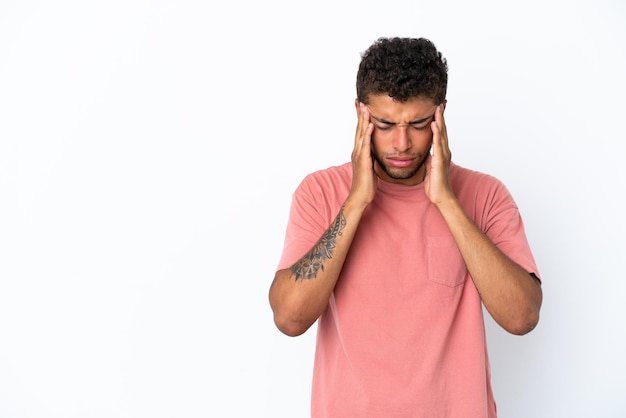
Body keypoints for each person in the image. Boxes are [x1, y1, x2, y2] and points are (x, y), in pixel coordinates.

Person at [268, 37, 543, 418]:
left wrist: (447, 201)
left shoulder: (484, 195)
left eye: (418, 124)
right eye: (384, 124)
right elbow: (289, 318)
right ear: (360, 114)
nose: (402, 143)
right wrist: (356, 202)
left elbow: (522, 317)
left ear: (441, 115)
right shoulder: (320, 193)